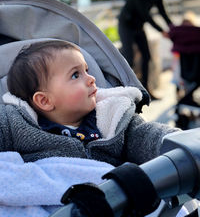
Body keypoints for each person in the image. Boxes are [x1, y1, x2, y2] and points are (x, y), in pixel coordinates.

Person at [1, 40, 178, 166]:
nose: (92, 79)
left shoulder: (111, 117)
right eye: (76, 75)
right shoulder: (15, 124)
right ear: (45, 100)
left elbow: (146, 135)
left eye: (86, 70)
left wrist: (178, 142)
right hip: (49, 211)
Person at [118, 0, 172, 100]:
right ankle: (123, 95)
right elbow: (144, 13)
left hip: (138, 26)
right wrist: (161, 30)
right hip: (126, 24)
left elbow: (161, 9)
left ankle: (145, 92)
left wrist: (172, 27)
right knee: (128, 58)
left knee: (147, 57)